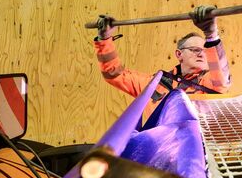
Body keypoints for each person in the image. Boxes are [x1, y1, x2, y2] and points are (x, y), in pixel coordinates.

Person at [92, 6, 231, 113]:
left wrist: (211, 34)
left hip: (193, 149)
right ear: (178, 54)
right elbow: (114, 74)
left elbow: (222, 79)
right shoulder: (152, 84)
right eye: (195, 50)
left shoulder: (210, 84)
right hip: (157, 148)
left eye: (204, 51)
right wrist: (104, 40)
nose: (201, 54)